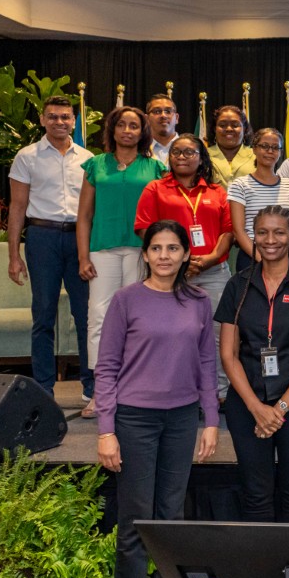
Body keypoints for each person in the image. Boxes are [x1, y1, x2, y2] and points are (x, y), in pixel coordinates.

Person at [95, 219, 218, 578]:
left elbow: (207, 363)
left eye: (173, 248)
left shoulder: (199, 301)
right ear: (145, 254)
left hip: (181, 420)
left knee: (170, 518)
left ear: (186, 254)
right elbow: (106, 368)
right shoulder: (126, 300)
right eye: (157, 248)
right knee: (135, 520)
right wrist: (106, 431)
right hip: (135, 421)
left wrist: (210, 421)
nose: (164, 256)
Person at [215, 206, 289, 521]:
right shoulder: (237, 285)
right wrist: (256, 408)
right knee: (255, 495)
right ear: (253, 237)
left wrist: (279, 409)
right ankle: (260, 557)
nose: (270, 240)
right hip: (247, 401)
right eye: (263, 232)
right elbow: (228, 354)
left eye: (279, 232)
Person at [77, 106, 166, 419]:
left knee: (138, 320)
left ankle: (132, 389)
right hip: (102, 250)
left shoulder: (155, 167)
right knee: (98, 316)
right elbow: (84, 216)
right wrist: (83, 256)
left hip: (141, 252)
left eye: (134, 126)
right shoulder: (95, 165)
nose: (128, 131)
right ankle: (100, 392)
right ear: (112, 129)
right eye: (122, 125)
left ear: (143, 132)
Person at [7, 95, 94, 401]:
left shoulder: (88, 158)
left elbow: (93, 208)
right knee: (43, 315)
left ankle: (91, 387)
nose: (60, 122)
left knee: (86, 316)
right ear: (43, 120)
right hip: (42, 238)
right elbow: (17, 207)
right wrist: (14, 255)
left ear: (74, 121)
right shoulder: (27, 156)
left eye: (65, 117)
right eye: (53, 116)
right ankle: (43, 389)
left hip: (79, 239)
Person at [134, 134, 233, 396]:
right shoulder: (155, 188)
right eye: (176, 152)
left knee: (218, 334)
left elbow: (228, 231)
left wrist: (211, 258)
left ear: (201, 158)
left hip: (213, 272)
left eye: (189, 152)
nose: (182, 157)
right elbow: (145, 228)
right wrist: (176, 260)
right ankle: (173, 389)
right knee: (170, 333)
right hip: (169, 274)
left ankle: (219, 392)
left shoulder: (216, 191)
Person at [228, 128, 289, 272]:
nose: (270, 151)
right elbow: (238, 231)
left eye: (275, 147)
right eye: (264, 146)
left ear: (280, 152)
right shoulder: (240, 185)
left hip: (285, 257)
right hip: (252, 257)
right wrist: (263, 260)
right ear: (254, 149)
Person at [207, 105, 255, 188]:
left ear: (244, 129)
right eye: (222, 125)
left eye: (235, 125)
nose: (229, 129)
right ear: (214, 129)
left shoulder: (256, 155)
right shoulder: (203, 155)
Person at [146, 94, 179, 164]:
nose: (163, 115)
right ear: (147, 119)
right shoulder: (139, 150)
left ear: (176, 118)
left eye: (168, 111)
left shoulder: (191, 149)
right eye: (157, 111)